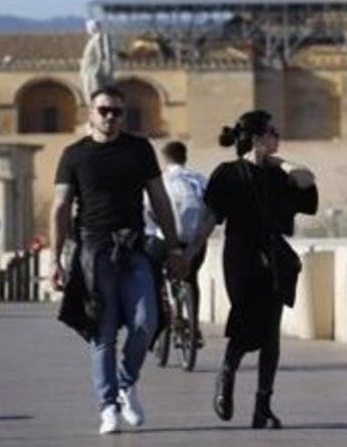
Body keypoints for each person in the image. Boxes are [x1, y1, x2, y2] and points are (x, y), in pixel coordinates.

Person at [50, 85, 186, 435]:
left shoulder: (139, 149)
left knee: (147, 322)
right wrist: (56, 259)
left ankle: (126, 383)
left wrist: (174, 247)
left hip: (134, 248)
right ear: (90, 113)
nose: (110, 117)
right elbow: (61, 208)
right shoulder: (74, 155)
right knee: (103, 333)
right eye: (104, 110)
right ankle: (107, 406)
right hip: (93, 251)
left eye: (117, 112)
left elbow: (159, 199)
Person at [185, 110, 317, 429]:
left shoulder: (278, 175)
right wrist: (189, 253)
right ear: (257, 137)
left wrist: (278, 161)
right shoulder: (227, 174)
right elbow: (208, 219)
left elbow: (307, 180)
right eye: (272, 132)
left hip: (273, 258)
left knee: (270, 332)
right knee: (245, 319)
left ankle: (263, 407)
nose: (278, 136)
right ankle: (227, 373)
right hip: (241, 255)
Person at [144, 140, 209, 341]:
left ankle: (164, 316)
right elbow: (210, 210)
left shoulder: (160, 180)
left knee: (154, 277)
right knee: (191, 279)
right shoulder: (199, 180)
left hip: (164, 241)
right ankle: (193, 326)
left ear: (164, 158)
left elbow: (147, 211)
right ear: (185, 157)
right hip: (193, 241)